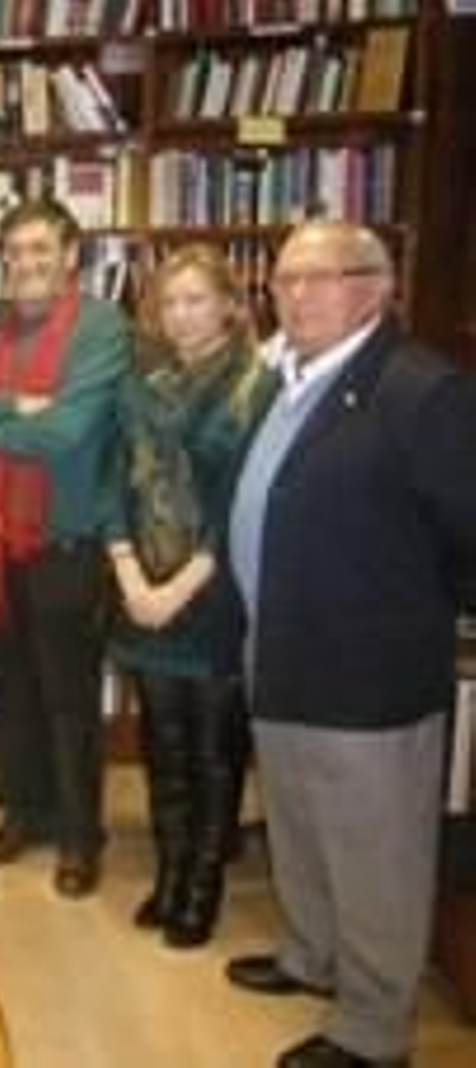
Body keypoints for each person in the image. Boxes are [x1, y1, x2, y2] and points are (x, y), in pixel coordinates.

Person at [225, 221, 476, 1068]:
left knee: (375, 853)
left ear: (376, 287)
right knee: (298, 822)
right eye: (285, 280)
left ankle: (373, 1031)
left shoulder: (422, 390)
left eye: (320, 277)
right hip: (282, 649)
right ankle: (311, 955)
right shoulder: (287, 376)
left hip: (368, 672)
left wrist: (399, 614)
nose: (296, 295)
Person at [0, 198, 130, 898]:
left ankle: (79, 835)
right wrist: (13, 405)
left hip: (64, 535)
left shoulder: (102, 327)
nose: (25, 264)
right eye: (13, 252)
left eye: (40, 249)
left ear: (70, 254)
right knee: (7, 685)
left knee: (68, 695)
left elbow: (70, 432)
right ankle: (25, 813)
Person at [106, 245, 276, 948]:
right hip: (142, 587)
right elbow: (115, 480)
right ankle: (170, 872)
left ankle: (202, 887)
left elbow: (241, 498)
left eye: (196, 300)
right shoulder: (144, 385)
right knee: (162, 744)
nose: (181, 315)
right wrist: (128, 571)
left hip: (212, 591)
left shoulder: (258, 387)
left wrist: (179, 586)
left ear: (230, 306)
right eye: (170, 302)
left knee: (213, 750)